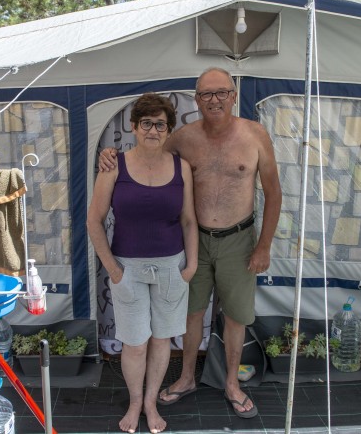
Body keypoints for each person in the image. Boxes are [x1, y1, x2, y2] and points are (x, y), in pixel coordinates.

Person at [99, 67, 281, 419]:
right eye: (206, 94)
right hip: (193, 240)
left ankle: (231, 383)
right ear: (196, 100)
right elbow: (146, 154)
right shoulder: (181, 138)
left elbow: (274, 193)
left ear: (233, 95)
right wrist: (110, 153)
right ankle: (185, 378)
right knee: (191, 313)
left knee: (236, 316)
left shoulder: (255, 135)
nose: (214, 100)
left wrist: (264, 246)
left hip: (240, 240)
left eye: (221, 93)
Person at [87, 93, 198, 434]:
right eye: (146, 123)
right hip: (127, 268)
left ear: (168, 129)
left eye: (160, 124)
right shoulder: (114, 165)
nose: (153, 129)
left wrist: (190, 266)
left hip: (171, 268)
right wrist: (114, 269)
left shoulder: (182, 167)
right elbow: (95, 220)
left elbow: (189, 221)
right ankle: (135, 402)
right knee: (135, 343)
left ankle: (151, 402)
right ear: (134, 127)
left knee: (162, 339)